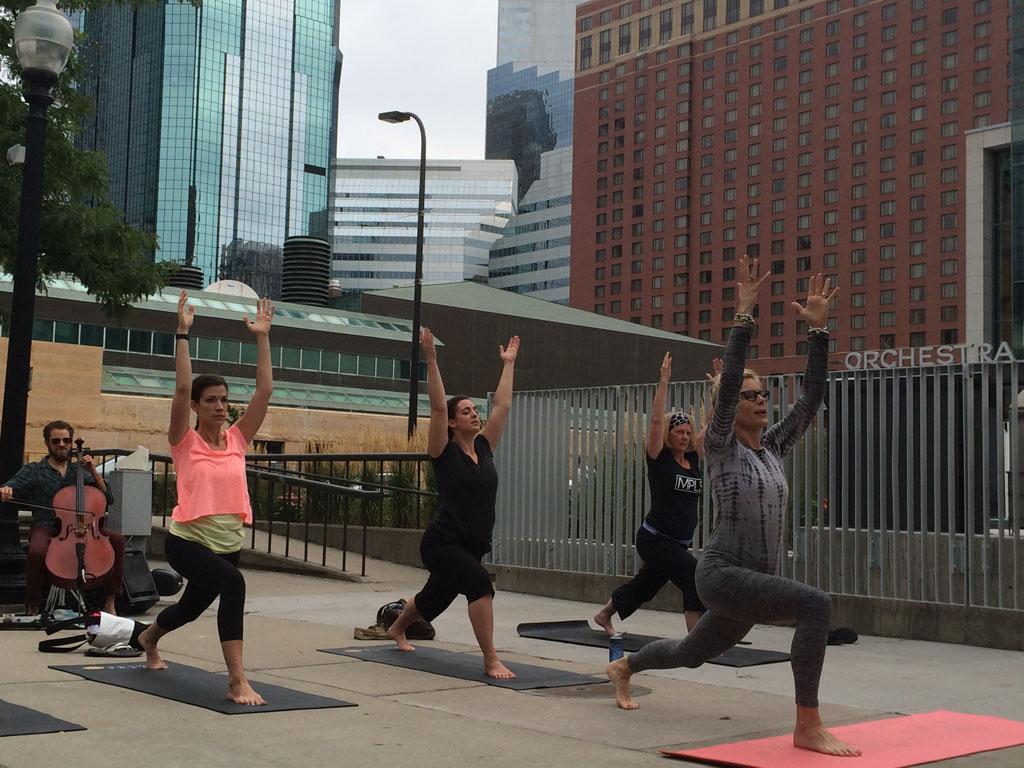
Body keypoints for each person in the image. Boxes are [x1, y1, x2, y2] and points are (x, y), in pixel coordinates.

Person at [607, 257, 860, 758]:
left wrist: (818, 333)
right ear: (733, 404)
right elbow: (723, 397)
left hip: (751, 579)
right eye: (749, 395)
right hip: (722, 574)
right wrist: (743, 316)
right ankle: (807, 725)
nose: (760, 400)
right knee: (816, 605)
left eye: (762, 393)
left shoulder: (774, 447)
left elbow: (811, 400)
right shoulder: (721, 446)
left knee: (690, 653)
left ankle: (624, 666)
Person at [137, 290, 274, 706]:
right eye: (211, 400)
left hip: (228, 543)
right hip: (188, 541)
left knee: (190, 609)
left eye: (224, 400)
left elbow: (265, 391)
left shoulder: (237, 439)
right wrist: (182, 333)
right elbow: (181, 388)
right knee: (234, 584)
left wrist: (262, 337)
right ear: (197, 406)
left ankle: (149, 638)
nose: (220, 406)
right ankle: (236, 680)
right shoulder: (185, 441)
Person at [387, 327, 520, 679]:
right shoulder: (442, 452)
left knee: (434, 597)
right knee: (480, 585)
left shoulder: (484, 447)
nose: (475, 414)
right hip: (442, 543)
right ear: (451, 422)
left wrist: (508, 363)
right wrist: (431, 358)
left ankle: (397, 628)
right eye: (465, 411)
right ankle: (491, 659)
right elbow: (435, 406)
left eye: (475, 410)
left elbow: (503, 406)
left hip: (471, 545)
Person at [593, 352, 708, 636]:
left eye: (687, 432)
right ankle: (697, 641)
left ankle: (605, 614)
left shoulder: (693, 459)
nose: (684, 436)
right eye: (679, 432)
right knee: (695, 578)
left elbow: (713, 426)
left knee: (647, 584)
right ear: (669, 435)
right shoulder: (659, 458)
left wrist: (720, 384)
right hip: (656, 539)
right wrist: (664, 380)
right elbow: (656, 421)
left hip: (678, 543)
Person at [0, 421, 125, 616]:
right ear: (47, 443)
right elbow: (9, 487)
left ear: (71, 443)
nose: (61, 444)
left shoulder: (78, 471)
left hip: (82, 525)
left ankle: (110, 600)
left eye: (66, 441)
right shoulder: (34, 470)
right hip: (46, 525)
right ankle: (33, 604)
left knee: (118, 540)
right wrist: (6, 490)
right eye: (56, 441)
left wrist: (93, 471)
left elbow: (108, 498)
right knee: (37, 551)